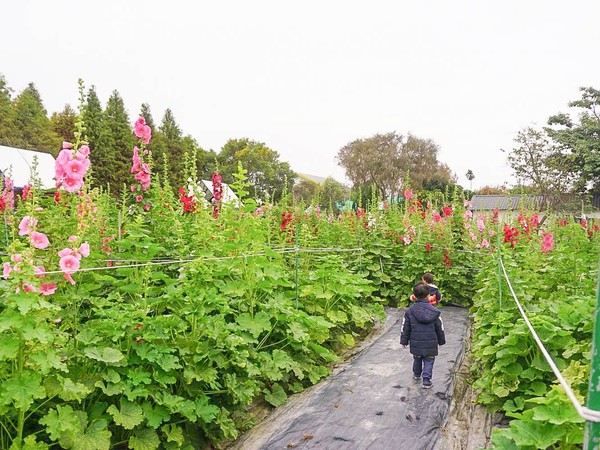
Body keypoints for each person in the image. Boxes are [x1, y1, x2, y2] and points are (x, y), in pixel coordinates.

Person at [400, 282, 446, 389]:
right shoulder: (435, 312)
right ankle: (426, 380)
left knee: (417, 358)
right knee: (429, 360)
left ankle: (416, 375)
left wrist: (404, 341)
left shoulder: (410, 311)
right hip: (431, 341)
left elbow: (405, 327)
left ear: (414, 296)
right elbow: (440, 327)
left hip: (416, 341)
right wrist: (441, 340)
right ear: (428, 295)